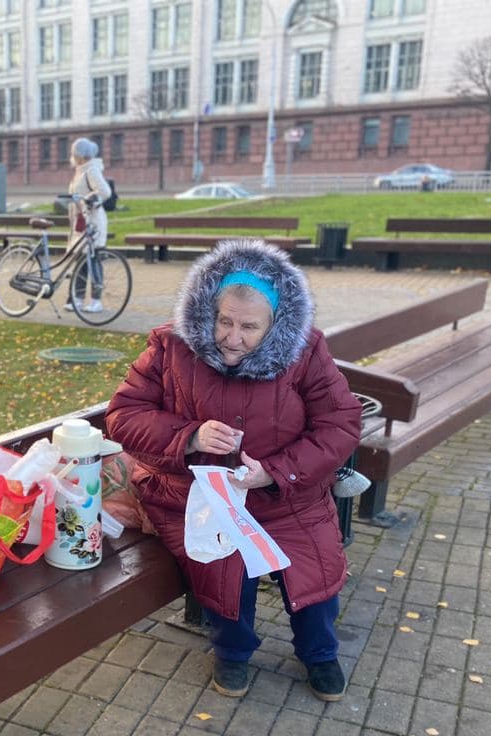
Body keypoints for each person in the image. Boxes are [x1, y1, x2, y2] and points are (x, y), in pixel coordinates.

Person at [105, 239, 362, 702]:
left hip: (285, 494)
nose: (232, 338)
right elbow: (124, 414)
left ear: (275, 325)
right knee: (223, 565)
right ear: (209, 309)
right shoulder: (171, 345)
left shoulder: (306, 352)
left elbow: (340, 423)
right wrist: (190, 437)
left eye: (249, 327)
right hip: (193, 494)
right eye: (224, 321)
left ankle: (320, 653)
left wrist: (278, 472)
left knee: (314, 562)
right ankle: (232, 652)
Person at [67, 137, 111, 313]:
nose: (72, 156)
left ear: (80, 155)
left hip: (93, 223)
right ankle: (77, 299)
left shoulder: (91, 170)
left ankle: (96, 301)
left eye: (74, 153)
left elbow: (105, 192)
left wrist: (88, 200)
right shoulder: (80, 170)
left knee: (93, 262)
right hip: (81, 222)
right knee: (81, 262)